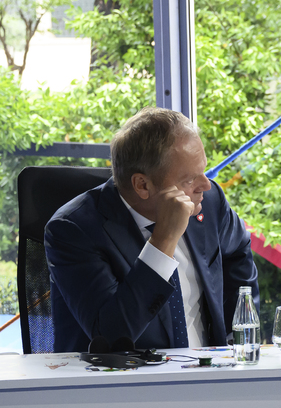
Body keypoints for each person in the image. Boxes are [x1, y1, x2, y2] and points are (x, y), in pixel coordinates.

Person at [45, 107, 258, 351]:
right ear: (142, 185)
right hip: (129, 372)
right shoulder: (73, 231)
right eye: (189, 180)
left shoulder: (209, 203)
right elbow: (111, 337)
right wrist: (163, 241)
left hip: (211, 368)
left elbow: (238, 254)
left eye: (203, 171)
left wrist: (236, 343)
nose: (206, 185)